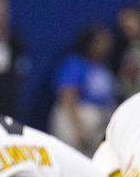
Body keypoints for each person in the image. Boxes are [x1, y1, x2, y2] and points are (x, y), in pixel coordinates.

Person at [49, 25, 116, 153]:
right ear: (91, 43)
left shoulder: (104, 67)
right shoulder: (75, 65)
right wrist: (78, 131)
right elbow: (67, 99)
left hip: (98, 123)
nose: (107, 45)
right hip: (75, 119)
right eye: (102, 41)